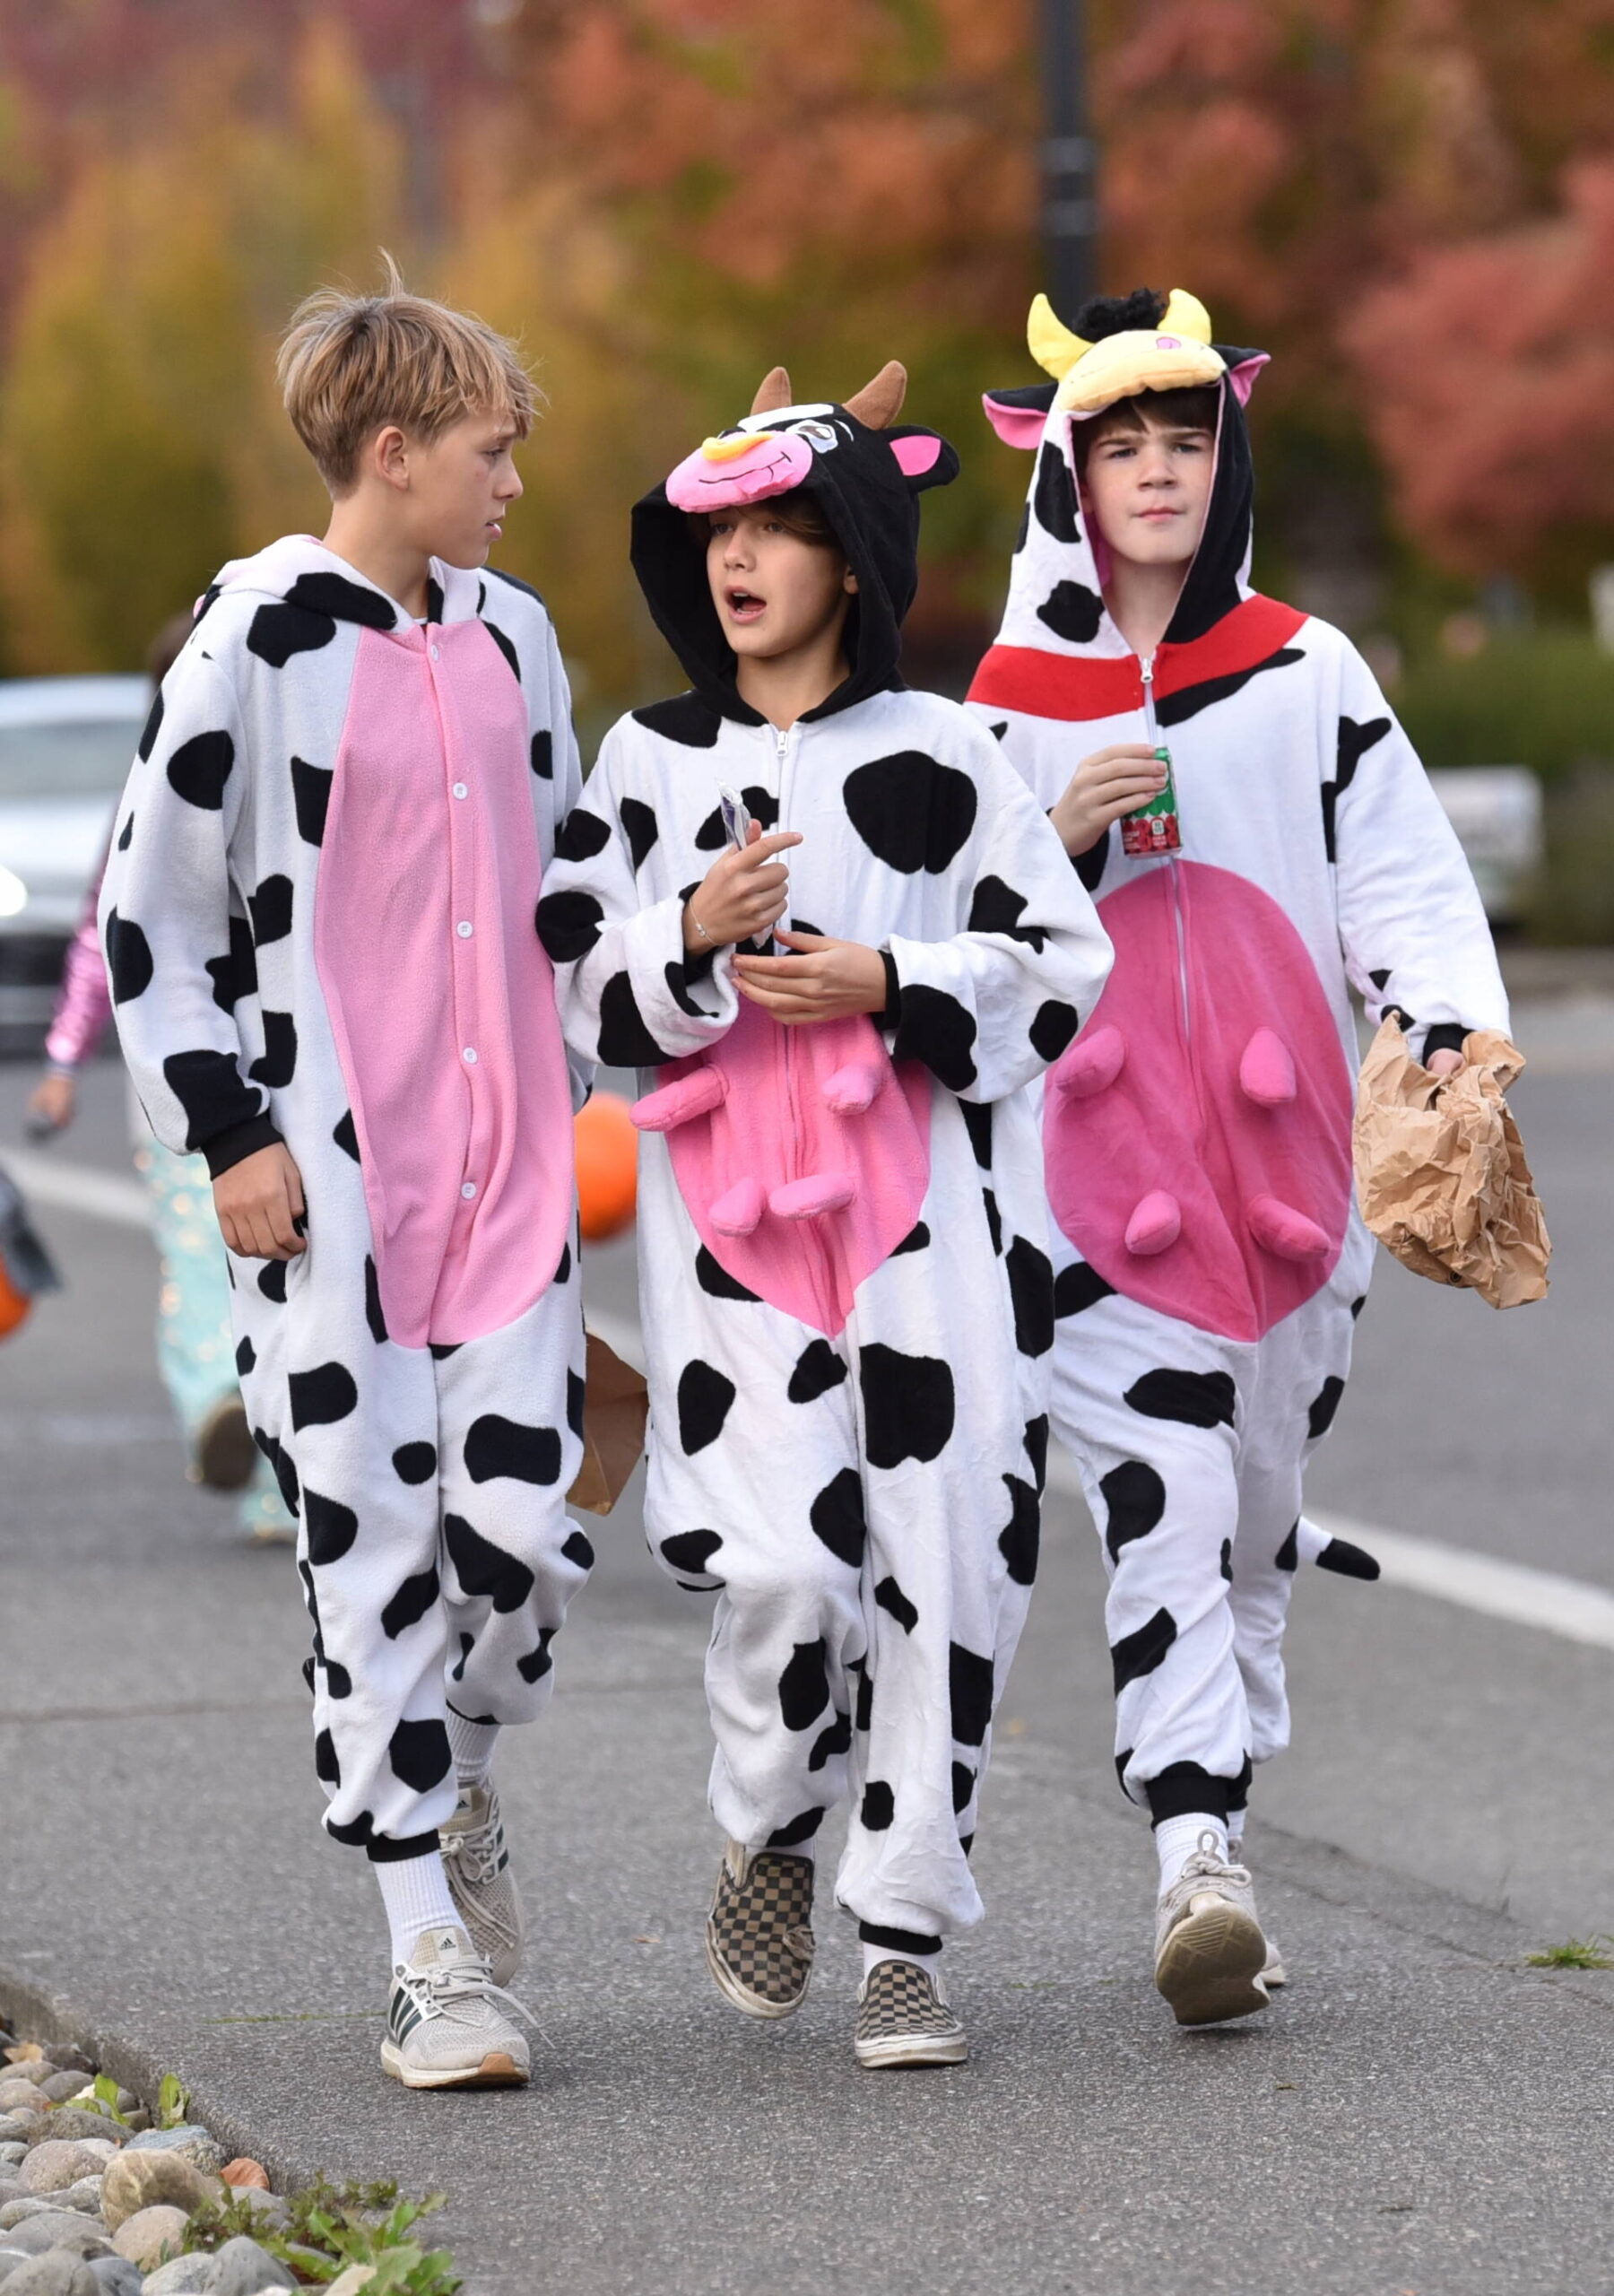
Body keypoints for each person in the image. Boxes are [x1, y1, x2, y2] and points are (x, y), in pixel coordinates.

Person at [539, 361, 1112, 2066]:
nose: (745, 561)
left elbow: (1058, 971)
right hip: (726, 1237)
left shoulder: (945, 756)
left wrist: (890, 977)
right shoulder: (644, 763)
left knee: (947, 1560)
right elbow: (575, 984)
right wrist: (690, 937)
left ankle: (909, 1929)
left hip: (928, 1219)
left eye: (787, 528)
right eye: (720, 531)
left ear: (853, 560)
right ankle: (769, 1827)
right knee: (781, 1566)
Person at [968, 288, 1508, 2025]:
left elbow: (1409, 884)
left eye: (1185, 439)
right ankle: (1199, 1850)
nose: (1156, 471)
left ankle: (1238, 1697)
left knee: (1255, 1505)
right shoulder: (1004, 706)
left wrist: (1442, 1043)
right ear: (1065, 469)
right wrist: (1054, 831)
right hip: (1090, 1195)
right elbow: (940, 941)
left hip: (1295, 1195)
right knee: (1171, 1490)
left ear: (1229, 457)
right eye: (1120, 440)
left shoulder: (1306, 666)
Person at [100, 265, 591, 2090]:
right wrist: (230, 1132)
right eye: (490, 448)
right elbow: (151, 916)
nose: (512, 480)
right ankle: (426, 1950)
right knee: (370, 1547)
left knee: (524, 1545)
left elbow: (566, 875)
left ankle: (457, 1775)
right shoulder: (255, 637)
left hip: (515, 1175)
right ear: (394, 452)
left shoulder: (519, 636)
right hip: (332, 1192)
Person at [28, 614, 297, 1544]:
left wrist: (66, 1064)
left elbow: (97, 952)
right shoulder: (249, 793)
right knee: (275, 1267)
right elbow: (108, 942)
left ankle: (223, 1405)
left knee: (204, 1262)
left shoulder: (174, 799)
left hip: (188, 1084)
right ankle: (273, 1474)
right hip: (259, 1079)